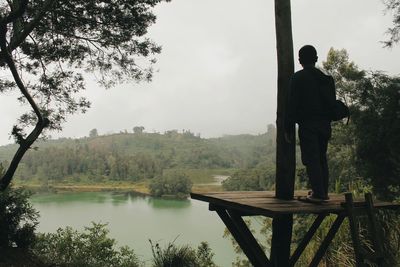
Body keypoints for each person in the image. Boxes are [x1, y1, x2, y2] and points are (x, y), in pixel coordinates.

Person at [285, 45, 336, 202]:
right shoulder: (327, 79)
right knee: (321, 158)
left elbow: (291, 105)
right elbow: (331, 103)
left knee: (312, 159)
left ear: (300, 60)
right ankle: (322, 193)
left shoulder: (297, 78)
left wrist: (288, 127)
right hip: (325, 125)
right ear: (316, 59)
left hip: (308, 125)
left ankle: (319, 194)